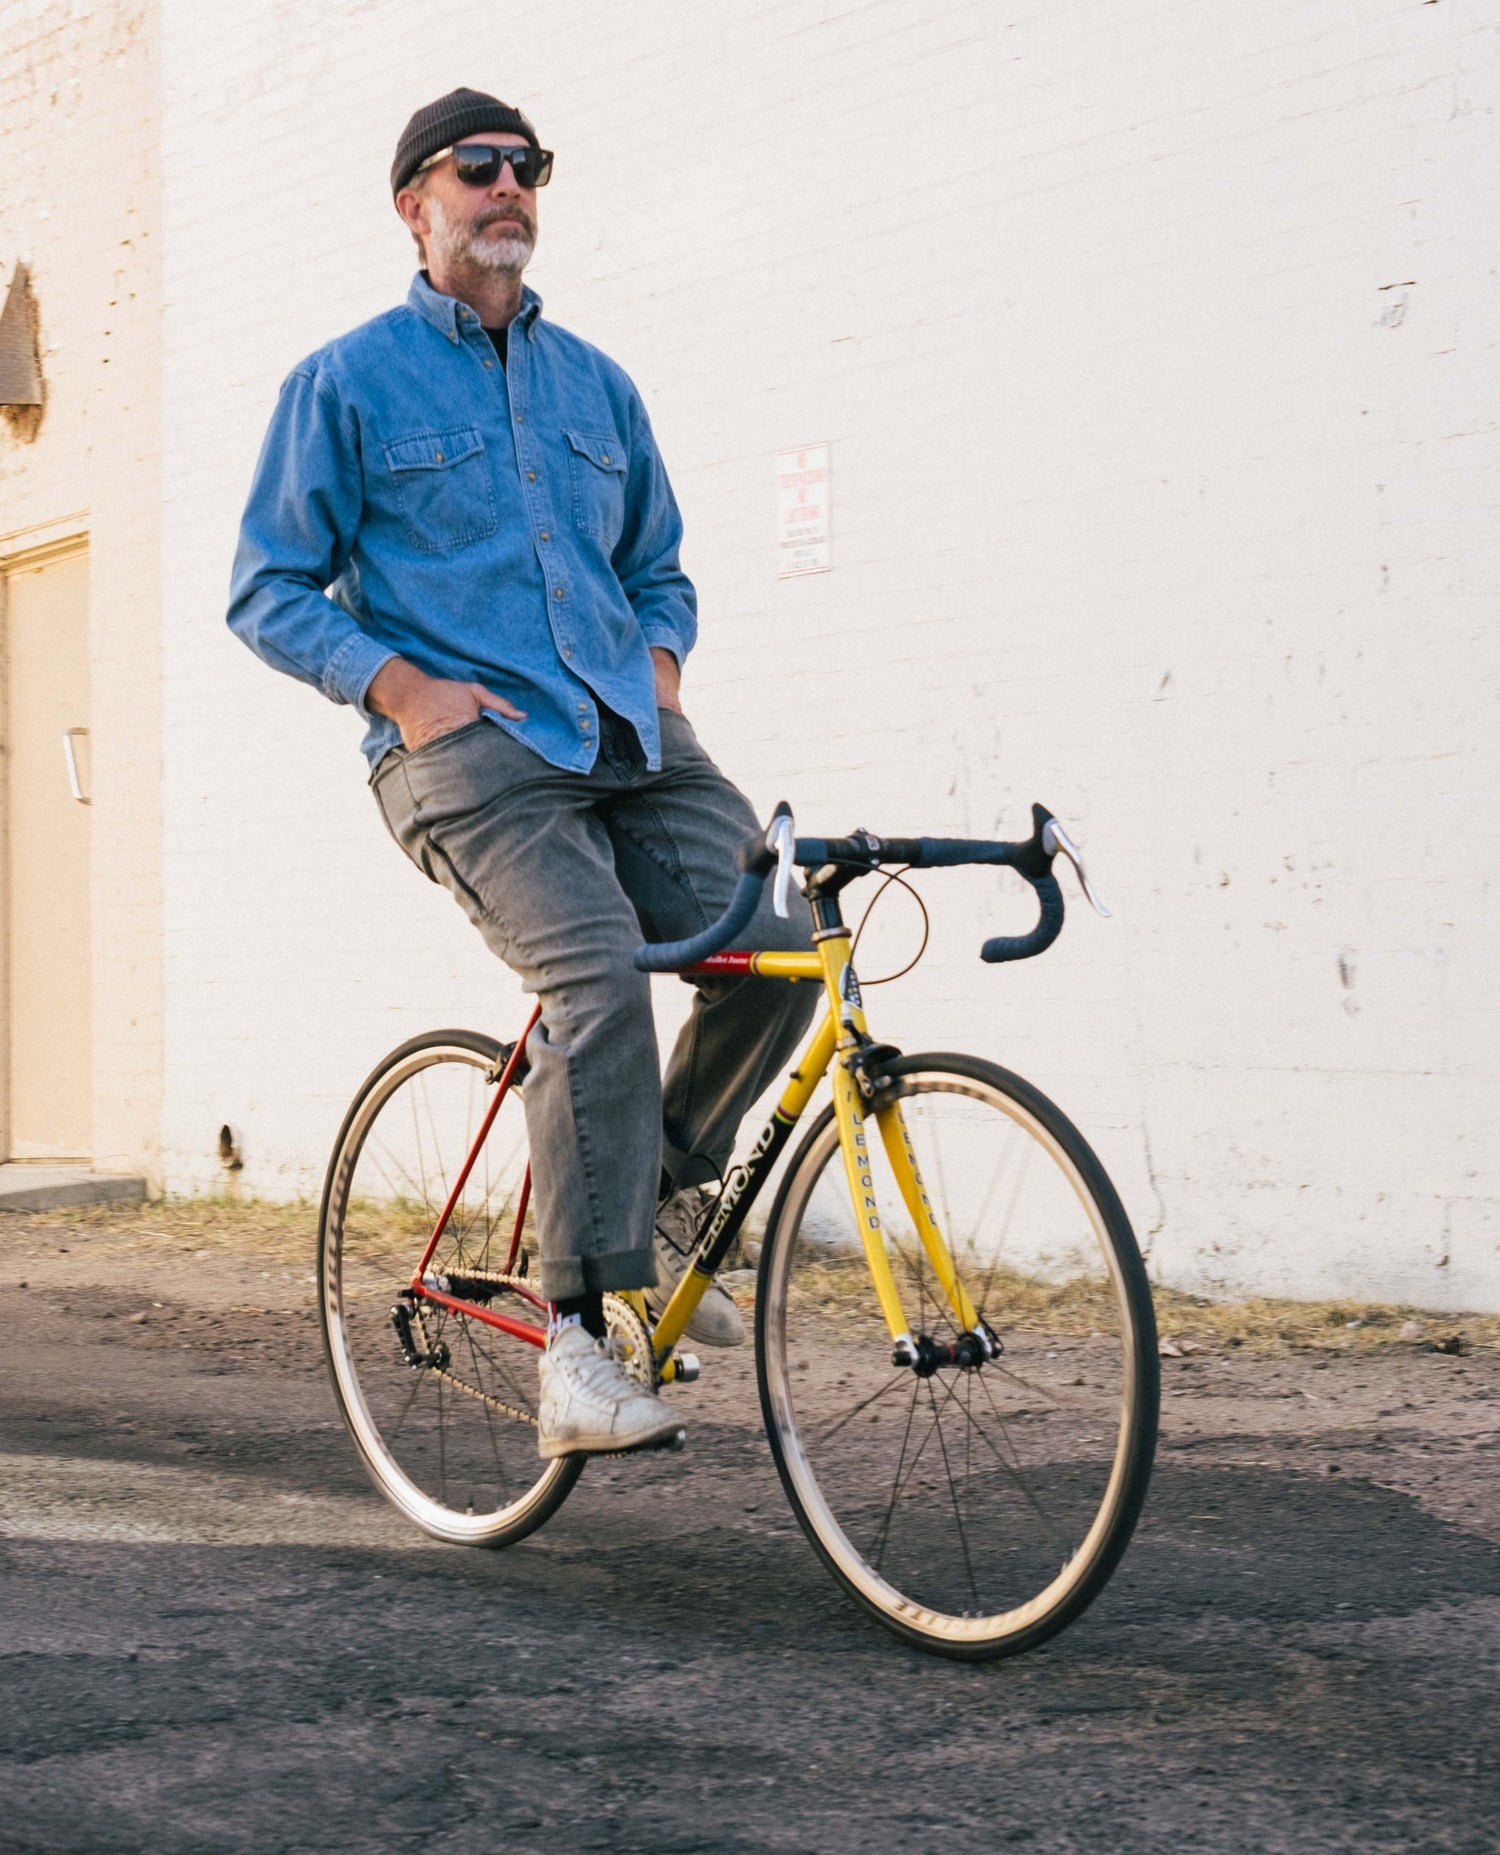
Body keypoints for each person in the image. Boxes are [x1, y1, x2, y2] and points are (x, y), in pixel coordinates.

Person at [228, 88, 815, 1459]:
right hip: (468, 754)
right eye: (477, 168)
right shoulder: (345, 381)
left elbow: (658, 565)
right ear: (414, 206)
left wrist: (658, 665)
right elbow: (267, 587)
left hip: (626, 730)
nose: (509, 189)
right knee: (596, 974)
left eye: (528, 169)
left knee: (779, 936)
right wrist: (401, 686)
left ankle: (665, 1188)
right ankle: (577, 1342)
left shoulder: (598, 384)